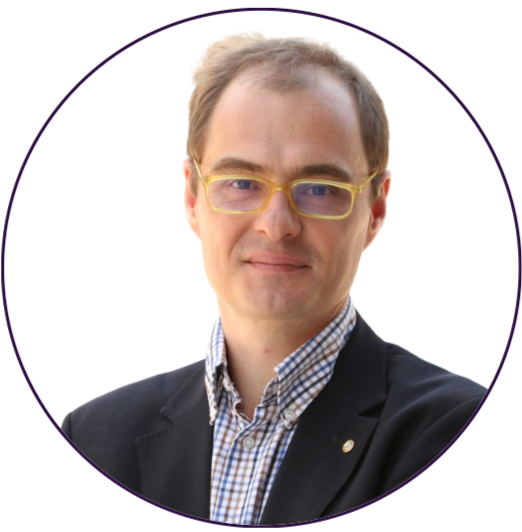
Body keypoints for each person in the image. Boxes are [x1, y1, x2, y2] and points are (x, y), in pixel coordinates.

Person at [61, 34, 486, 526]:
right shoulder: (90, 441)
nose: (276, 224)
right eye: (242, 183)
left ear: (375, 208)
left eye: (319, 188)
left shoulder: (461, 434)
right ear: (193, 199)